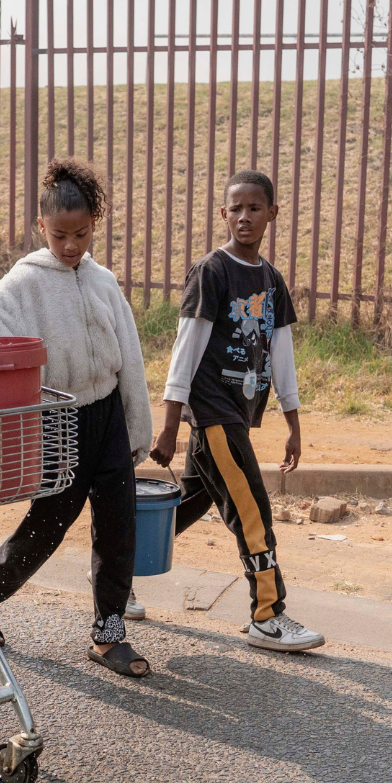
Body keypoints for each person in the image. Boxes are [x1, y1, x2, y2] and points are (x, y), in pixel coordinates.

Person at [0, 159, 155, 677]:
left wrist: (137, 426)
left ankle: (109, 633)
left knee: (120, 524)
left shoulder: (103, 281)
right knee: (51, 520)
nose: (72, 245)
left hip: (107, 417)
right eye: (60, 235)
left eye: (81, 234)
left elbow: (131, 355)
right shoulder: (26, 281)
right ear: (42, 229)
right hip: (60, 420)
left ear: (93, 227)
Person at [150, 170, 325, 652]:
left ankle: (114, 570)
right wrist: (170, 425)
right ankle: (268, 616)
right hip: (214, 413)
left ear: (272, 212)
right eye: (236, 208)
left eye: (255, 208)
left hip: (239, 410)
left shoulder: (270, 279)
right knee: (252, 511)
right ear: (223, 213)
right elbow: (185, 350)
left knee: (189, 503)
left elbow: (281, 354)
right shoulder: (213, 271)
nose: (244, 217)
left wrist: (293, 423)